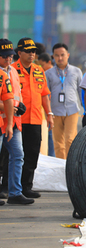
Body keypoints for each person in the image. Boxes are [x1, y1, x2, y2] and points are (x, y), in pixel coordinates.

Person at [12, 37, 54, 199]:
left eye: (34, 51)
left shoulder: (38, 70)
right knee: (13, 155)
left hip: (35, 118)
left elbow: (44, 94)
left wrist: (49, 114)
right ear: (19, 52)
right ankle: (8, 187)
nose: (32, 54)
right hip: (17, 119)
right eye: (28, 51)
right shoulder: (12, 70)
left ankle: (26, 187)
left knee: (32, 154)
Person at [0, 38, 34, 205]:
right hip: (1, 120)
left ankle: (15, 192)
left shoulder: (12, 71)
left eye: (10, 56)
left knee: (18, 155)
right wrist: (7, 108)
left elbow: (15, 95)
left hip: (13, 122)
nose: (8, 59)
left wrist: (19, 106)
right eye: (4, 56)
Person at [45, 43, 83, 160]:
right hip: (55, 111)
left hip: (71, 110)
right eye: (57, 55)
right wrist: (48, 112)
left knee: (70, 139)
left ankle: (70, 165)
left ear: (68, 55)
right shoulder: (49, 73)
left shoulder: (76, 71)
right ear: (53, 57)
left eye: (62, 55)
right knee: (58, 142)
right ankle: (61, 165)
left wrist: (85, 108)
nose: (60, 58)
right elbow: (46, 94)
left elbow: (80, 91)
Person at [37, 53, 55, 158]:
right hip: (42, 112)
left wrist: (49, 113)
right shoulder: (45, 73)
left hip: (46, 112)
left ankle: (52, 159)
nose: (42, 67)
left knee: (50, 139)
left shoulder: (40, 72)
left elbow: (45, 94)